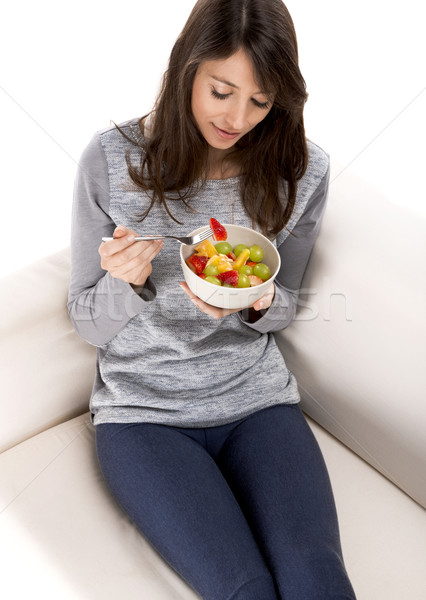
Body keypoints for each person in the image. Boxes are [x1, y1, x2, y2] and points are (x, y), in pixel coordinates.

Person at [68, 0, 357, 598]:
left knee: (317, 578)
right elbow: (86, 322)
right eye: (221, 91)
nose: (238, 118)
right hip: (144, 419)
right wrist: (126, 282)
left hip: (258, 405)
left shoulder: (301, 171)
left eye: (260, 100)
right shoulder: (111, 160)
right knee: (245, 590)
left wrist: (253, 303)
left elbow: (287, 303)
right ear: (186, 71)